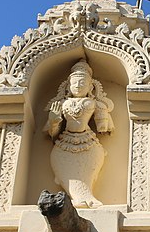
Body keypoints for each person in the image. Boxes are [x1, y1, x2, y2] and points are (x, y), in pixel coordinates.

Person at [45, 60, 114, 208]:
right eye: (74, 82)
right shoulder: (62, 104)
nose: (78, 85)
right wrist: (54, 121)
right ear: (68, 86)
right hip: (64, 145)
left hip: (89, 144)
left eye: (82, 82)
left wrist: (103, 115)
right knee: (67, 174)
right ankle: (77, 198)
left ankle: (87, 198)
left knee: (88, 173)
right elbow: (52, 134)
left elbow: (103, 128)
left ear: (91, 86)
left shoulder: (94, 103)